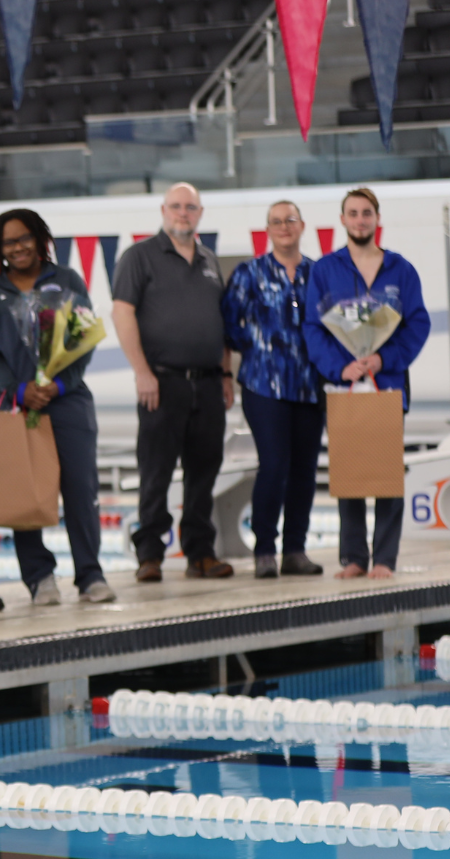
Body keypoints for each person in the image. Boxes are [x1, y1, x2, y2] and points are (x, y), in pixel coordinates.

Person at [0, 208, 115, 606]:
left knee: (80, 489)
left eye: (25, 238)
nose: (18, 248)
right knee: (25, 493)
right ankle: (40, 578)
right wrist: (18, 390)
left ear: (40, 239)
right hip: (19, 405)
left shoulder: (67, 280)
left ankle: (90, 574)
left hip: (68, 402)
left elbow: (84, 339)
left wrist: (58, 384)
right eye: (9, 242)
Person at [302, 187, 431, 579]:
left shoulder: (401, 269)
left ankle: (385, 559)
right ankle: (354, 558)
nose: (360, 220)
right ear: (342, 220)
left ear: (377, 220)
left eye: (366, 213)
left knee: (387, 471)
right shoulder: (325, 270)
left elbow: (418, 323)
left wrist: (382, 358)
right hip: (345, 387)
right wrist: (340, 368)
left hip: (388, 384)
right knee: (350, 470)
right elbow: (313, 326)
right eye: (353, 213)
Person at [113, 182, 234, 583]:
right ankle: (150, 554)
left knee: (204, 472)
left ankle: (200, 553)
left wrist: (226, 373)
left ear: (200, 213)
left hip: (209, 383)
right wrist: (142, 372)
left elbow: (219, 323)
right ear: (163, 211)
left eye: (191, 207)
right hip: (162, 383)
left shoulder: (209, 261)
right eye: (176, 207)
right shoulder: (140, 257)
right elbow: (122, 314)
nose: (183, 213)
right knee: (157, 472)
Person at [223, 201, 323, 579]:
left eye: (290, 220)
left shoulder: (319, 273)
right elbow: (230, 324)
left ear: (302, 226)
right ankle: (265, 549)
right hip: (264, 384)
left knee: (304, 470)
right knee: (275, 464)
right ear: (268, 229)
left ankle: (295, 549)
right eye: (277, 222)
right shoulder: (250, 273)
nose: (284, 226)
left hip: (310, 385)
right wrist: (261, 345)